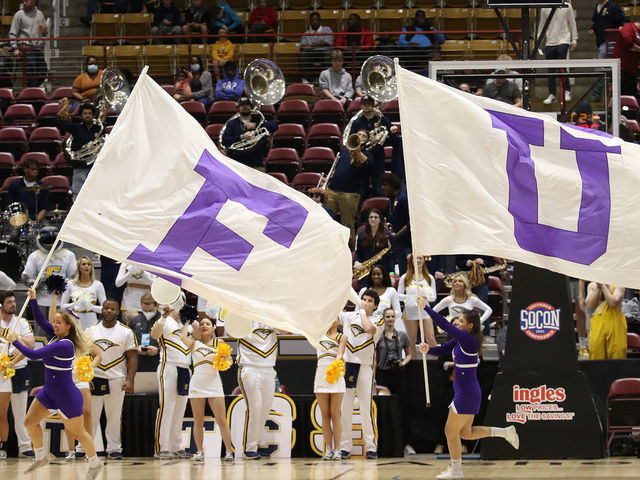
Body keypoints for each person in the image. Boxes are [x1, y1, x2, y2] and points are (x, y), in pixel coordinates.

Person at [6, 287, 103, 478]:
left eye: (58, 322)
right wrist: (33, 300)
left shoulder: (65, 345)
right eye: (54, 322)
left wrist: (15, 340)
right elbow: (41, 321)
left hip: (67, 395)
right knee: (29, 422)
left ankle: (95, 462)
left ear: (68, 326)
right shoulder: (56, 335)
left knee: (79, 433)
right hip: (49, 392)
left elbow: (33, 354)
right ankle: (41, 456)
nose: (54, 325)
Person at [417, 299, 519, 479]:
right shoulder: (459, 340)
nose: (458, 323)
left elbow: (444, 324)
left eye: (461, 322)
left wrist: (426, 308)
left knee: (450, 432)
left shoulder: (469, 340)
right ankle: (505, 432)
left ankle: (456, 471)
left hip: (466, 394)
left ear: (470, 325)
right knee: (466, 433)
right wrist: (428, 349)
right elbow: (441, 351)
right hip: (466, 392)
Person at [49, 289, 101, 461]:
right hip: (65, 379)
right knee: (68, 414)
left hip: (80, 379)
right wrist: (55, 298)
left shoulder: (83, 338)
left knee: (86, 412)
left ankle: (88, 450)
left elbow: (99, 355)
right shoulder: (60, 339)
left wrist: (90, 368)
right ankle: (71, 450)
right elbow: (50, 320)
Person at [86, 298, 137, 459]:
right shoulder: (91, 330)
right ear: (102, 310)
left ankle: (114, 449)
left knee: (114, 416)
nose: (109, 311)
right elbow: (84, 356)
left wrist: (130, 380)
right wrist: (86, 377)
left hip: (117, 379)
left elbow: (133, 358)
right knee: (90, 415)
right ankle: (85, 449)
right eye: (106, 308)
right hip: (95, 378)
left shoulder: (126, 332)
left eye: (113, 309)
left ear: (118, 312)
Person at [179, 317, 233, 461]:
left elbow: (229, 361)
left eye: (207, 324)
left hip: (214, 382)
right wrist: (187, 321)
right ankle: (199, 451)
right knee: (198, 420)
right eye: (202, 324)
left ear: (214, 327)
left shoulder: (219, 343)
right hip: (197, 383)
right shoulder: (194, 343)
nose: (204, 326)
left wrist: (224, 361)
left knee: (221, 420)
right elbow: (182, 337)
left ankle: (228, 451)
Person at [340, 290, 384, 459]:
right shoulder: (349, 316)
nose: (365, 301)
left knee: (366, 408)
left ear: (376, 305)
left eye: (369, 300)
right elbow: (333, 316)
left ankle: (371, 447)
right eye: (363, 299)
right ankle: (345, 446)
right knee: (345, 409)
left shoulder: (377, 319)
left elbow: (369, 329)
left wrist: (363, 311)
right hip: (347, 365)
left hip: (365, 367)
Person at [150, 299, 192, 459]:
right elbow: (154, 334)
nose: (182, 308)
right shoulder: (165, 321)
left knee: (180, 409)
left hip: (185, 368)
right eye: (180, 305)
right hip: (169, 366)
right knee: (166, 408)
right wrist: (162, 317)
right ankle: (162, 447)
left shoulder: (185, 325)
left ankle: (176, 446)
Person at [234, 320, 280, 459]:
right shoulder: (245, 317)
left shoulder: (271, 316)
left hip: (268, 369)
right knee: (255, 407)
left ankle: (257, 444)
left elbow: (286, 330)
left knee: (264, 409)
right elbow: (231, 331)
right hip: (249, 368)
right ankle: (249, 448)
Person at [0, 291, 35, 459]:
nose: (13, 304)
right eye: (9, 302)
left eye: (14, 301)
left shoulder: (21, 321)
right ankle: (3, 446)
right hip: (1, 372)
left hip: (19, 369)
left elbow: (31, 345)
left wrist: (15, 338)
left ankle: (25, 446)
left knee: (20, 411)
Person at [375, 308, 413, 456]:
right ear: (383, 318)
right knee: (383, 408)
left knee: (402, 409)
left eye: (392, 316)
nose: (390, 319)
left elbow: (409, 354)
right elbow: (374, 356)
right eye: (387, 316)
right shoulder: (378, 336)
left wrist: (403, 363)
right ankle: (382, 443)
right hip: (383, 374)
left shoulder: (402, 335)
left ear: (395, 318)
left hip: (399, 374)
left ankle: (405, 444)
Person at [324, 130, 372, 235]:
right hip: (332, 190)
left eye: (364, 136)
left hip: (349, 194)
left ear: (367, 140)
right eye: (359, 134)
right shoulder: (345, 150)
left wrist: (358, 151)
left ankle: (350, 249)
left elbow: (369, 167)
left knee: (348, 224)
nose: (360, 136)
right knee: (326, 220)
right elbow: (336, 166)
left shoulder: (367, 154)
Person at [22, 226, 77, 319]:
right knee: (41, 329)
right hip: (40, 300)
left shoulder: (69, 255)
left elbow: (74, 277)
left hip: (62, 301)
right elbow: (26, 277)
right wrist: (39, 282)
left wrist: (63, 284)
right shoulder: (34, 256)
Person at [349, 94, 398, 195]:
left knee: (379, 182)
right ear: (361, 106)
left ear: (373, 105)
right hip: (363, 155)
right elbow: (352, 139)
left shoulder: (379, 118)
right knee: (363, 183)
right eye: (364, 104)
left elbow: (391, 128)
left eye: (369, 103)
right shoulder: (356, 122)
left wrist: (381, 116)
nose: (366, 106)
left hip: (377, 154)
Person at [314, 318, 347, 460]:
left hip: (335, 374)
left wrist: (336, 363)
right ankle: (328, 449)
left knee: (335, 415)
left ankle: (338, 449)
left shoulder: (342, 336)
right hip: (321, 374)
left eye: (335, 316)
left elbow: (340, 354)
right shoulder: (316, 336)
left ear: (339, 320)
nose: (332, 318)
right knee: (325, 415)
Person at [56, 102, 103, 198]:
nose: (87, 116)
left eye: (89, 113)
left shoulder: (99, 128)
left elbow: (106, 140)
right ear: (81, 116)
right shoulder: (76, 128)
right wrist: (61, 114)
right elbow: (61, 125)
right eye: (85, 114)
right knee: (78, 197)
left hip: (94, 168)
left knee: (95, 196)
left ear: (93, 115)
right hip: (79, 168)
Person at [220, 96, 278, 169]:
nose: (245, 107)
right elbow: (225, 141)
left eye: (247, 105)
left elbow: (274, 126)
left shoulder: (258, 119)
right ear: (238, 108)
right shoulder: (232, 123)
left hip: (256, 163)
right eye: (242, 105)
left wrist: (255, 125)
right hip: (237, 164)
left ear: (251, 107)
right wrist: (242, 136)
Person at [589, 0, 628, 101]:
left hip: (610, 42)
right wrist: (593, 29)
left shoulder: (613, 7)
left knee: (600, 68)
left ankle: (596, 94)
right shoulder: (597, 6)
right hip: (601, 41)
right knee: (604, 69)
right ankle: (604, 93)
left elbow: (624, 21)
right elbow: (597, 22)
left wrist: (621, 27)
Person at [539, 3, 578, 104]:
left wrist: (574, 39)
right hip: (550, 41)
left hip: (563, 40)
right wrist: (538, 41)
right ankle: (552, 93)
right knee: (551, 69)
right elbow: (541, 26)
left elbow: (572, 23)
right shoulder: (544, 8)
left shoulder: (567, 6)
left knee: (562, 66)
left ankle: (567, 90)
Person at [398, 253, 437, 350]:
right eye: (415, 258)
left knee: (431, 339)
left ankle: (437, 362)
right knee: (411, 340)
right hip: (410, 313)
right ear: (411, 260)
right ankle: (413, 364)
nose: (418, 260)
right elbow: (398, 296)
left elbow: (433, 297)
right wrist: (411, 297)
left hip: (425, 312)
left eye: (420, 258)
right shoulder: (405, 277)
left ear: (424, 260)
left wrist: (425, 297)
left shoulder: (429, 277)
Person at [60, 256, 107, 330]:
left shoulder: (98, 285)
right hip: (75, 323)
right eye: (84, 264)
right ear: (79, 267)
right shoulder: (70, 284)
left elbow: (105, 309)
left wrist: (90, 307)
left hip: (92, 324)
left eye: (89, 264)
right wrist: (75, 304)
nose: (86, 266)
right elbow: (62, 307)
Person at [9, 0, 48, 87]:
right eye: (23, 1)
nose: (24, 3)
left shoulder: (40, 14)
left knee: (43, 72)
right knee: (32, 71)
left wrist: (44, 34)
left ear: (34, 1)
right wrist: (15, 48)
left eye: (27, 1)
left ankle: (29, 90)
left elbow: (45, 31)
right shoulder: (19, 14)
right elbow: (13, 32)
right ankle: (31, 93)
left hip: (37, 48)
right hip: (25, 47)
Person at [379, 173, 410, 274]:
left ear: (393, 185)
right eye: (381, 185)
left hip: (406, 242)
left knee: (404, 271)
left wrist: (397, 235)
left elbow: (410, 222)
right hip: (396, 241)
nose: (382, 188)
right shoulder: (390, 199)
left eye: (385, 185)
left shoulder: (403, 198)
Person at [586, 283, 627, 359]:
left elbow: (613, 302)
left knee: (616, 355)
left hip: (615, 324)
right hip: (598, 324)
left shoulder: (619, 284)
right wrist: (598, 287)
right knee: (596, 353)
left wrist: (604, 286)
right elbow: (589, 305)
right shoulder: (592, 285)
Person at [353, 209, 395, 283]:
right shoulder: (361, 235)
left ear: (380, 220)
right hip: (365, 273)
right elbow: (358, 253)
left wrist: (391, 274)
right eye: (371, 217)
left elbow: (391, 258)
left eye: (376, 217)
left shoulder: (388, 236)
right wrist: (356, 262)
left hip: (382, 273)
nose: (373, 219)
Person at [5, 159, 49, 223]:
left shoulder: (42, 186)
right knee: (14, 231)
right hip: (19, 218)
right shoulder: (15, 185)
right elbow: (11, 206)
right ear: (25, 169)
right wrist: (27, 220)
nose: (35, 171)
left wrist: (36, 221)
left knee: (48, 230)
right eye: (32, 169)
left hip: (39, 219)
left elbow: (44, 208)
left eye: (37, 169)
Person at [299, 12, 334, 80]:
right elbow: (302, 46)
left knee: (328, 53)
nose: (315, 22)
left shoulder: (327, 29)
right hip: (311, 54)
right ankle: (305, 79)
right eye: (312, 20)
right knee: (302, 54)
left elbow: (327, 42)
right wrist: (319, 44)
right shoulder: (306, 33)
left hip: (323, 53)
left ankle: (327, 78)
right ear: (310, 21)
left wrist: (311, 45)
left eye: (316, 20)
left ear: (320, 21)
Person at [612, 21, 640, 97]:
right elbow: (627, 41)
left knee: (631, 94)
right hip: (622, 68)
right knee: (623, 94)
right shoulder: (629, 27)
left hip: (632, 69)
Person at [129, 293, 160, 357]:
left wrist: (158, 350)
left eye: (150, 310)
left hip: (158, 359)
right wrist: (135, 348)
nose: (148, 313)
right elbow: (128, 341)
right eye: (145, 310)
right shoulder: (135, 321)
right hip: (139, 359)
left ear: (156, 306)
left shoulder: (164, 321)